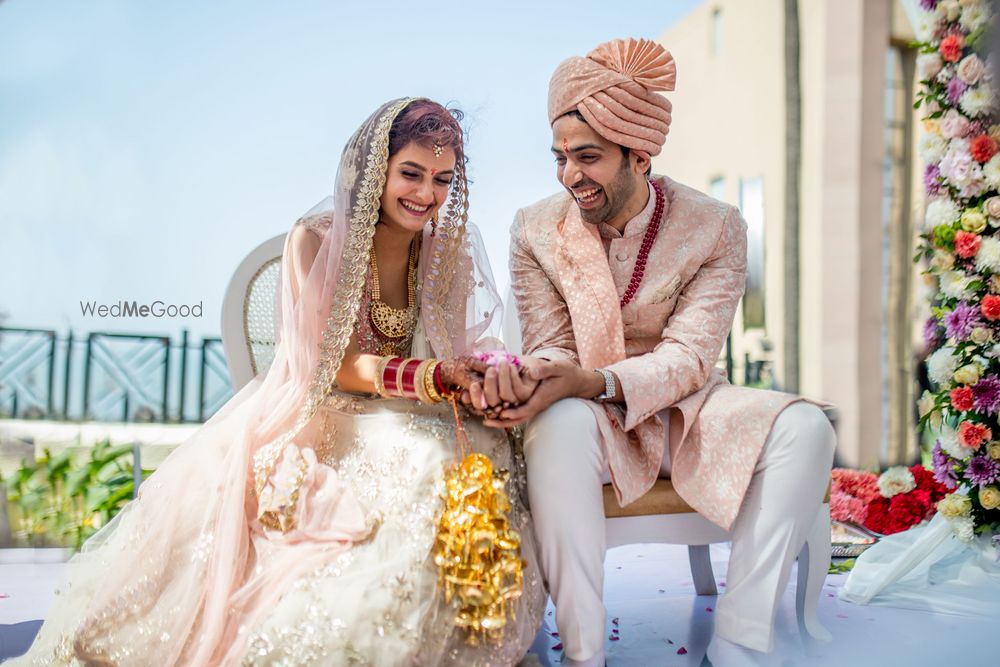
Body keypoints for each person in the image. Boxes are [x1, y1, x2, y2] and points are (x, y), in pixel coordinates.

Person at [15, 98, 544, 666]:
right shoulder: (313, 240)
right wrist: (435, 376)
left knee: (489, 449)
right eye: (410, 174)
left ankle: (444, 627)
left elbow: (465, 347)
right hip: (325, 410)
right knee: (420, 464)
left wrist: (486, 377)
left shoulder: (451, 250)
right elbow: (333, 367)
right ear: (374, 171)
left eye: (442, 179)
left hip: (418, 400)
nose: (425, 194)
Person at [477, 38, 836, 666]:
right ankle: (583, 652)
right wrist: (534, 374)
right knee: (555, 424)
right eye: (559, 158)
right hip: (587, 418)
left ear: (639, 156)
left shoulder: (715, 225)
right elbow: (550, 344)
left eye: (587, 158)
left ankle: (739, 640)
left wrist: (590, 380)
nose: (569, 177)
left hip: (685, 412)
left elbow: (690, 357)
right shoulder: (535, 228)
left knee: (806, 428)